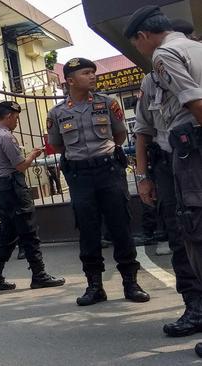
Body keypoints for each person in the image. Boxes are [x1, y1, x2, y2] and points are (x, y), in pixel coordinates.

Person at [125, 8, 202, 346]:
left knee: (194, 234)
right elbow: (142, 132)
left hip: (192, 159)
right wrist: (143, 177)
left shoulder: (167, 56)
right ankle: (195, 308)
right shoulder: (149, 80)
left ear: (144, 36)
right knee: (180, 237)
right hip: (169, 167)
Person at [47, 57, 150, 306]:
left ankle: (130, 283)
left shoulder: (108, 103)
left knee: (120, 226)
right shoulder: (57, 113)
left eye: (93, 72)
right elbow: (57, 144)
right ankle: (95, 286)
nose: (92, 76)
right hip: (80, 176)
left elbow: (120, 134)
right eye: (86, 73)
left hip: (108, 171)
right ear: (70, 81)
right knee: (88, 230)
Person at [0, 101, 65, 291]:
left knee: (8, 233)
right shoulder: (6, 137)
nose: (17, 122)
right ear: (9, 116)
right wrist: (33, 155)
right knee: (28, 231)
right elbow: (20, 165)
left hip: (3, 188)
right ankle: (39, 274)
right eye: (16, 118)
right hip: (14, 186)